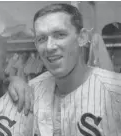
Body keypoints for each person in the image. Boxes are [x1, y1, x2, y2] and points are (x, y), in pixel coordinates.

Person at [31, 3, 121, 136]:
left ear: (82, 37)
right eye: (42, 38)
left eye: (60, 35)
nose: (49, 47)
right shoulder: (30, 91)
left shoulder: (115, 90)